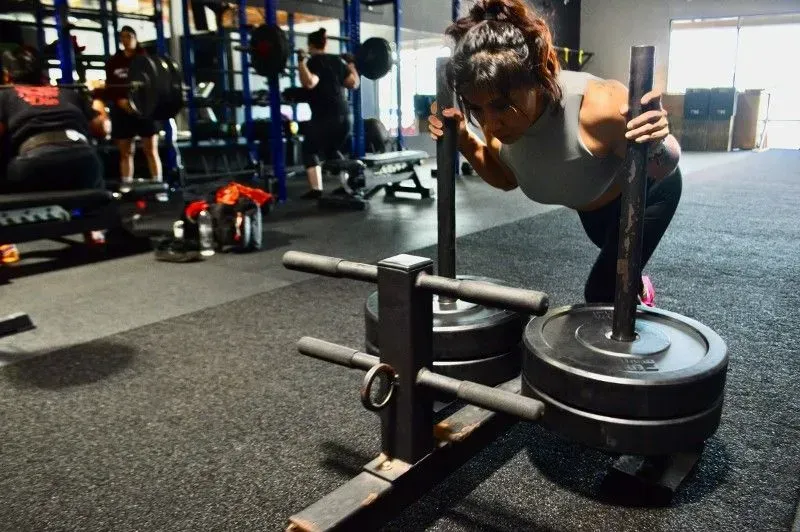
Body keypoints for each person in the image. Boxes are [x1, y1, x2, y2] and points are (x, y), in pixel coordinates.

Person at [428, 0, 682, 306]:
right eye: (477, 109)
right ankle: (636, 285)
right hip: (592, 207)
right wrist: (465, 140)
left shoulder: (600, 108)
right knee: (618, 270)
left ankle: (636, 304)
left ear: (540, 75)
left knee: (603, 292)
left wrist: (656, 139)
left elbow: (662, 167)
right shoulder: (499, 125)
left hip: (648, 194)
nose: (491, 124)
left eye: (500, 106)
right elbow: (507, 177)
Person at [0, 46, 110, 264]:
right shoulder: (68, 93)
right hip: (85, 167)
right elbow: (103, 128)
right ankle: (93, 228)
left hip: (34, 169)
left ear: (7, 75)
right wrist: (98, 96)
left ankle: (4, 242)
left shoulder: (4, 96)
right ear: (43, 74)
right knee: (90, 161)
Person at [297, 28, 360, 199]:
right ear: (325, 44)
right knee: (332, 150)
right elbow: (354, 83)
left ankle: (316, 189)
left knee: (309, 149)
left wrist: (301, 62)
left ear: (310, 45)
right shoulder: (337, 61)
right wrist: (352, 64)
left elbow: (310, 82)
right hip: (346, 117)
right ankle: (345, 184)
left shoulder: (314, 62)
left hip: (325, 117)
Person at [105, 25, 162, 186]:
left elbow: (154, 84)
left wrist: (139, 103)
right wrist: (121, 101)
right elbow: (110, 86)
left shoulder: (146, 60)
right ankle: (127, 186)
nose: (125, 40)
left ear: (135, 38)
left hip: (145, 110)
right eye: (122, 37)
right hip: (122, 111)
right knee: (126, 152)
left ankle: (158, 187)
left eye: (129, 36)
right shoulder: (114, 62)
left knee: (151, 150)